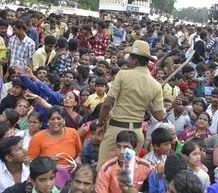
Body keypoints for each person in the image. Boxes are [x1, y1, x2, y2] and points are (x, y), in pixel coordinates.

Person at [97, 40, 165, 169]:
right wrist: (147, 101)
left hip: (116, 131)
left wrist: (100, 124)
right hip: (136, 134)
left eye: (130, 57)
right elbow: (160, 115)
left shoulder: (123, 74)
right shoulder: (155, 85)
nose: (127, 60)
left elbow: (107, 104)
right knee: (126, 173)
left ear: (135, 60)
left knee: (104, 169)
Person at [27, 106, 82, 188]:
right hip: (46, 181)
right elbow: (30, 161)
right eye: (52, 119)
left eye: (59, 118)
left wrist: (75, 165)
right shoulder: (38, 137)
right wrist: (48, 161)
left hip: (71, 177)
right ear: (48, 121)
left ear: (64, 120)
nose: (56, 121)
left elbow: (78, 154)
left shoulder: (73, 133)